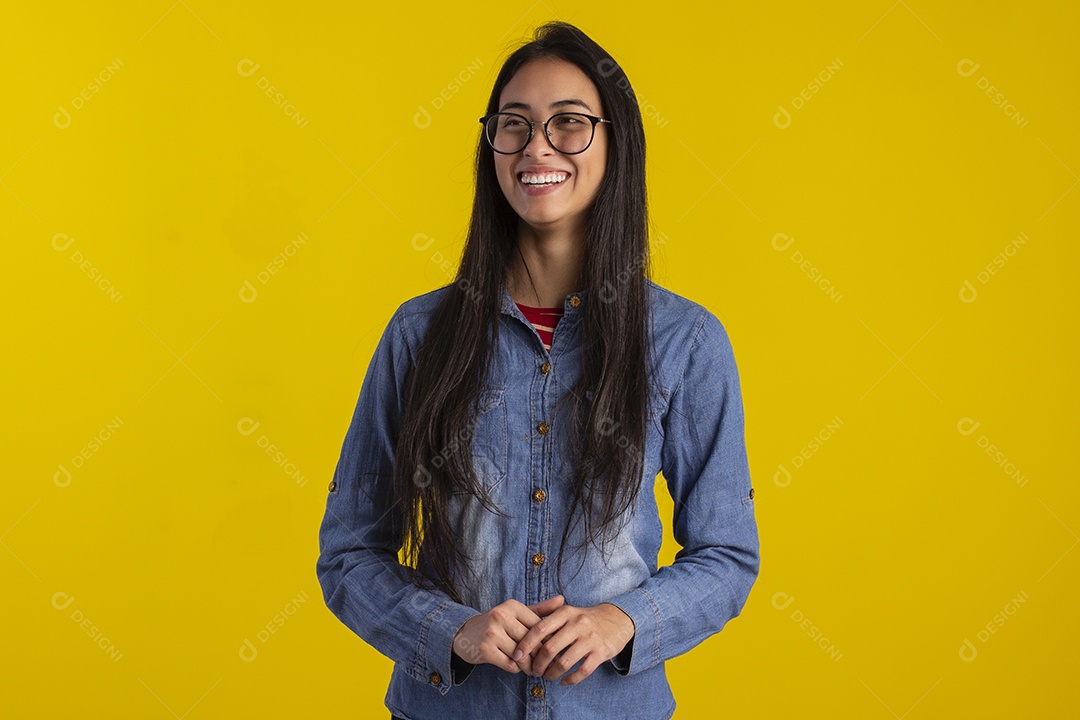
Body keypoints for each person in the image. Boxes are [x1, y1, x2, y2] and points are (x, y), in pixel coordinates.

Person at [316, 20, 760, 720]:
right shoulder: (418, 335)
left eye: (569, 123)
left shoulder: (686, 342)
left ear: (617, 143)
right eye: (513, 124)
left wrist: (625, 621)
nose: (536, 147)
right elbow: (348, 554)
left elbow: (728, 554)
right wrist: (451, 630)